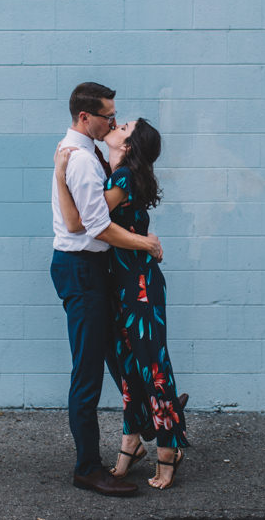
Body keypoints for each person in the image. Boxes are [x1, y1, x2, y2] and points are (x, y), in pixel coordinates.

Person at [55, 117, 188, 490]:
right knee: (127, 367)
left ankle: (168, 448)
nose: (116, 123)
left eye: (124, 125)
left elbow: (80, 222)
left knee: (153, 367)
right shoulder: (109, 170)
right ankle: (132, 441)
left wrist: (59, 172)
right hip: (119, 283)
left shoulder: (124, 178)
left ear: (128, 145)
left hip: (139, 284)